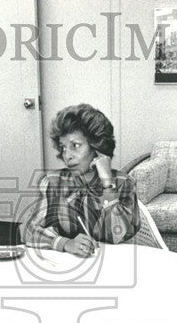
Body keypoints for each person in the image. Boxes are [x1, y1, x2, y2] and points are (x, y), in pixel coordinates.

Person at [21, 103, 140, 257]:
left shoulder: (124, 183)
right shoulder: (53, 182)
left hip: (114, 264)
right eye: (63, 147)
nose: (67, 155)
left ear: (97, 147)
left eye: (75, 145)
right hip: (67, 264)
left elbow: (117, 236)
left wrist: (107, 184)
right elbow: (27, 230)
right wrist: (65, 243)